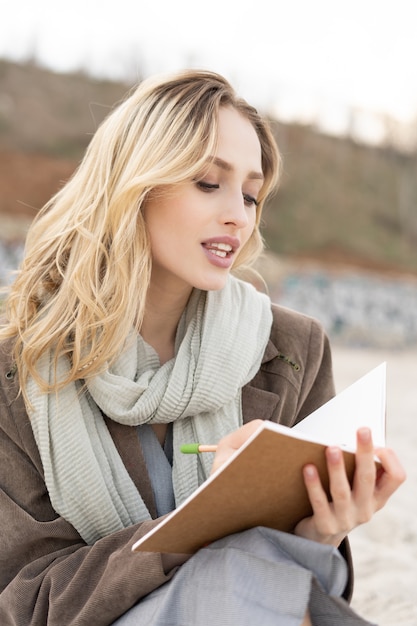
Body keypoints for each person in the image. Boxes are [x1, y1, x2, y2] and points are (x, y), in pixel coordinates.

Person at [0, 69, 405, 626]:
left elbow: (307, 584)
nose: (238, 215)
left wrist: (323, 529)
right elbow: (26, 601)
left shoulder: (291, 348)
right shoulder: (17, 365)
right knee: (235, 570)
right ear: (134, 184)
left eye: (251, 194)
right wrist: (203, 526)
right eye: (208, 183)